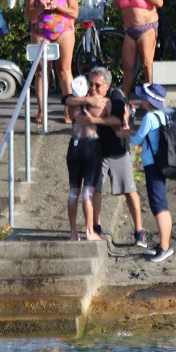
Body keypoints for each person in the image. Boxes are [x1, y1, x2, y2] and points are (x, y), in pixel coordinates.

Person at [65, 67, 147, 248]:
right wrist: (88, 99)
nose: (92, 88)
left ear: (107, 85)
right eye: (90, 84)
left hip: (117, 150)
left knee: (128, 189)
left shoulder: (115, 97)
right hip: (96, 152)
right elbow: (67, 99)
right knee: (94, 190)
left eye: (97, 85)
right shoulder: (87, 93)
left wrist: (93, 121)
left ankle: (139, 231)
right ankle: (96, 227)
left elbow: (118, 120)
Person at [25, 0, 79, 124]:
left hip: (63, 31)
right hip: (40, 31)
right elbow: (28, 14)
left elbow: (74, 12)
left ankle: (68, 108)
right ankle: (42, 110)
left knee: (64, 70)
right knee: (41, 71)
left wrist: (58, 7)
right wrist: (41, 8)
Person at [131, 83, 173, 263]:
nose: (140, 100)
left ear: (148, 101)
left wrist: (125, 132)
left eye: (143, 97)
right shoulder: (162, 115)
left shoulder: (149, 117)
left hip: (153, 165)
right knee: (160, 203)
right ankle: (163, 245)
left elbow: (136, 140)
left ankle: (164, 248)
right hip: (160, 164)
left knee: (159, 206)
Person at [112, 0, 163, 96]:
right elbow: (115, 2)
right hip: (130, 30)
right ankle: (125, 98)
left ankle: (150, 98)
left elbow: (159, 2)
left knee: (147, 64)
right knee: (128, 66)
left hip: (146, 28)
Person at [63, 76, 106, 241]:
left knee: (74, 192)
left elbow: (66, 99)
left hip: (74, 147)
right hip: (90, 147)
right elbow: (112, 116)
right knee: (88, 192)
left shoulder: (71, 104)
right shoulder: (97, 103)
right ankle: (89, 231)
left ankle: (73, 232)